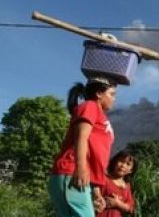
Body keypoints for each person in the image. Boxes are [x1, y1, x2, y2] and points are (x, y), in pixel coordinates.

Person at [48, 77, 117, 217]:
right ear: (99, 93)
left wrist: (96, 191)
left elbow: (94, 154)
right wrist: (80, 167)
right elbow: (81, 137)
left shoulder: (99, 114)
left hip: (78, 176)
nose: (114, 99)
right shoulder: (90, 106)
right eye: (112, 94)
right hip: (71, 172)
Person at [96, 150, 136, 216]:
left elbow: (131, 208)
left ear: (131, 170)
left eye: (128, 164)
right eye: (121, 161)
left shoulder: (127, 186)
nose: (123, 165)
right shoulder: (104, 179)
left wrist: (118, 204)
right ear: (115, 162)